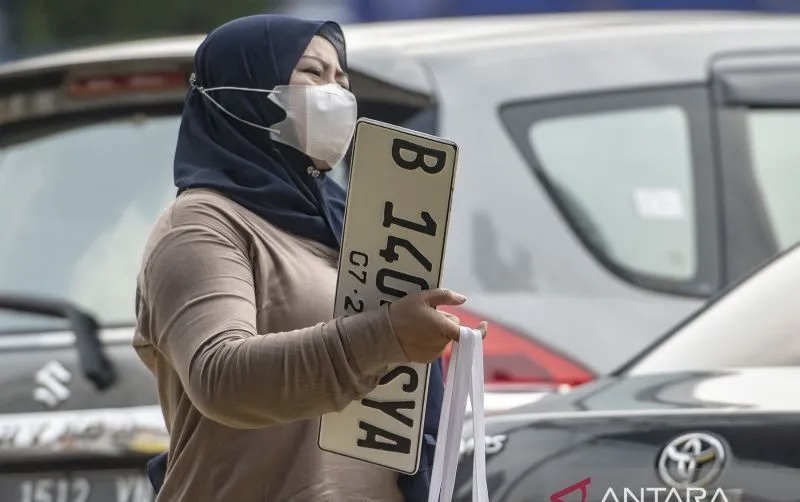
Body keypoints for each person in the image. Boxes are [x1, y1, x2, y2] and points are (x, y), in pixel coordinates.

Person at [132, 14, 486, 502]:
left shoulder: (346, 219)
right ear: (246, 88)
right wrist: (385, 337)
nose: (335, 92)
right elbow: (220, 376)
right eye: (312, 74)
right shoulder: (201, 226)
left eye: (342, 77)